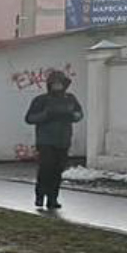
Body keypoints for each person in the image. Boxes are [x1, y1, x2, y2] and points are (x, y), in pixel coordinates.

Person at [24, 70, 83, 210]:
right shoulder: (41, 100)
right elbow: (30, 118)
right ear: (49, 85)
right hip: (45, 141)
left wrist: (72, 115)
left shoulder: (70, 99)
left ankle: (53, 198)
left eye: (60, 84)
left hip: (63, 140)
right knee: (46, 169)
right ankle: (40, 196)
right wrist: (46, 115)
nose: (57, 87)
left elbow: (79, 114)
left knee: (57, 171)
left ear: (64, 85)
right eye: (55, 84)